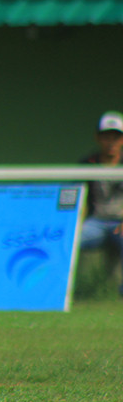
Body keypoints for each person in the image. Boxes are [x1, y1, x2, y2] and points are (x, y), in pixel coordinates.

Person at [78, 111, 123, 294]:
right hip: (94, 223)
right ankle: (65, 293)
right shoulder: (87, 164)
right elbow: (75, 196)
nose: (111, 143)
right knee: (70, 239)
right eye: (106, 137)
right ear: (98, 138)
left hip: (120, 223)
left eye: (116, 137)